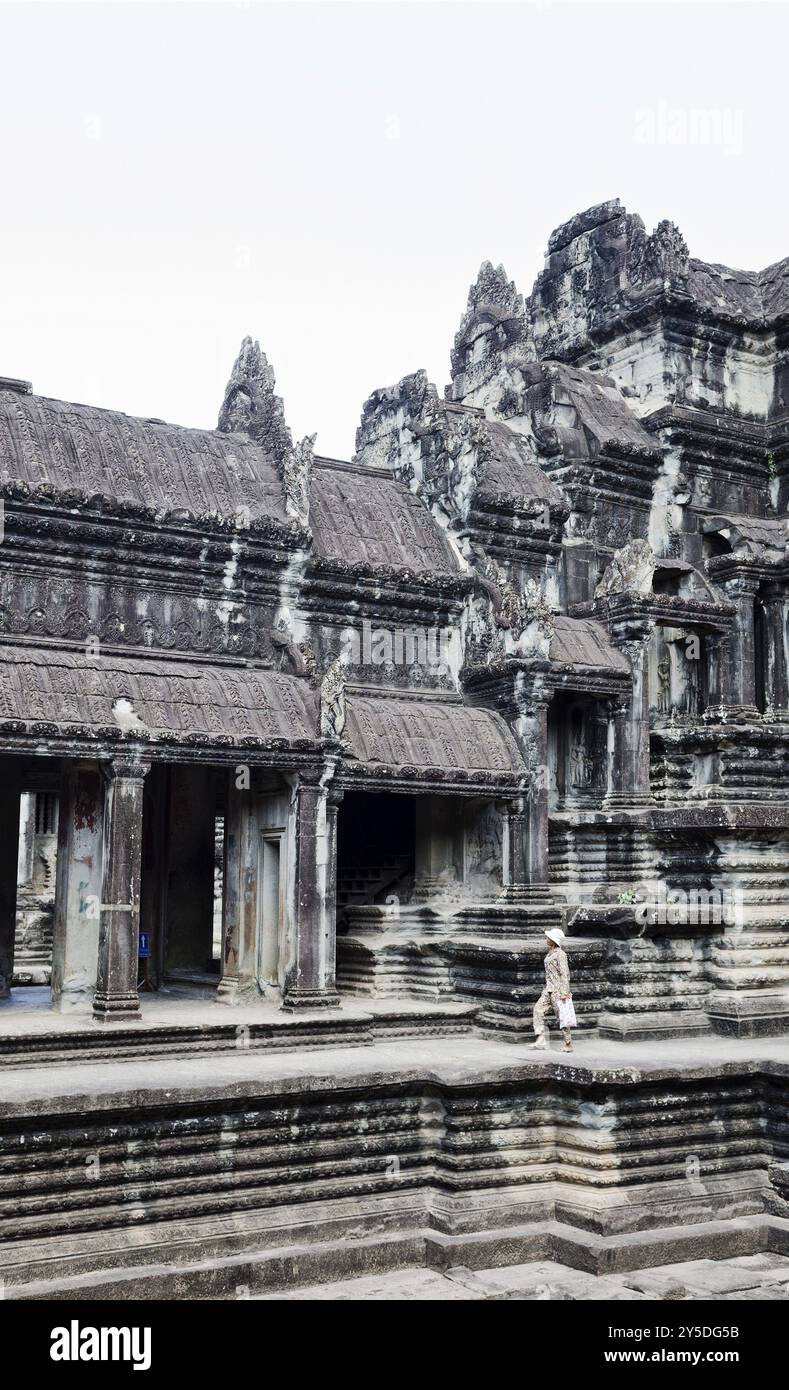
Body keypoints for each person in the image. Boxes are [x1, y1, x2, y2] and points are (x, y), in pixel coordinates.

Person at [530, 927, 574, 1052]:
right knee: (538, 1010)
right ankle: (541, 1039)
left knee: (562, 1017)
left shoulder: (561, 954)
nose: (547, 939)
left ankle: (568, 1043)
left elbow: (565, 974)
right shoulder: (550, 953)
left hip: (558, 991)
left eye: (549, 937)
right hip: (548, 990)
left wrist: (565, 992)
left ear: (554, 940)